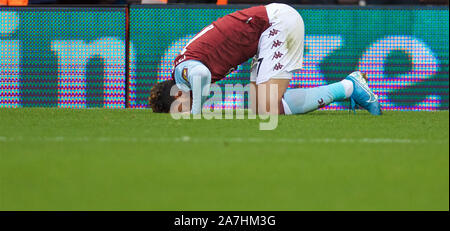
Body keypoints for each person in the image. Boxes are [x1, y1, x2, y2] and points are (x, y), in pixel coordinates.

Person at [149, 3, 382, 116]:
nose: (184, 111)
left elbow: (201, 75)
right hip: (266, 30)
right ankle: (349, 87)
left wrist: (195, 112)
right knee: (262, 106)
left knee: (268, 106)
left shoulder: (182, 70)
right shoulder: (184, 64)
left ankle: (350, 87)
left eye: (180, 108)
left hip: (274, 24)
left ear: (178, 95)